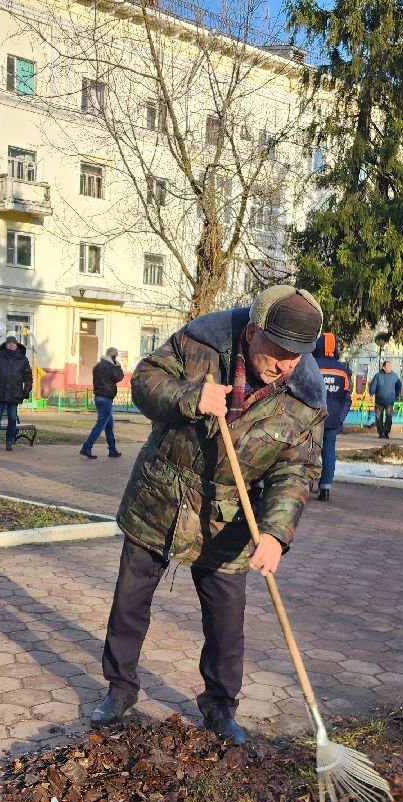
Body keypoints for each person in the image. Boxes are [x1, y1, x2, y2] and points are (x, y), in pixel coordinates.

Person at [90, 284, 325, 746]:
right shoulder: (201, 342)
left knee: (225, 620)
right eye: (277, 352)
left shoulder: (305, 399)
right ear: (254, 332)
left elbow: (296, 469)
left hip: (230, 517)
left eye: (296, 357)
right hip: (161, 498)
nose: (285, 365)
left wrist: (276, 533)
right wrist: (190, 396)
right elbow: (144, 380)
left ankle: (220, 708)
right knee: (129, 604)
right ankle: (119, 689)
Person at [313, 333, 352, 501]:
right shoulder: (342, 371)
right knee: (329, 452)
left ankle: (304, 485)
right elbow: (347, 398)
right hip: (333, 419)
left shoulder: (313, 366)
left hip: (312, 419)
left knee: (309, 453)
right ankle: (325, 488)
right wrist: (340, 418)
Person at [0, 335, 32, 450]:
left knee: (12, 418)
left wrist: (26, 391)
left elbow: (28, 378)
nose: (11, 344)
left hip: (14, 394)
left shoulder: (23, 359)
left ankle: (9, 442)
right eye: (9, 343)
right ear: (6, 345)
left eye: (13, 343)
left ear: (16, 345)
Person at [80, 346, 126, 459]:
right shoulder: (110, 366)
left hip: (98, 397)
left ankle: (112, 450)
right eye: (116, 356)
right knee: (100, 424)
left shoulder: (97, 366)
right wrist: (118, 367)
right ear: (112, 356)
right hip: (106, 398)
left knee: (109, 425)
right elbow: (119, 377)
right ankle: (86, 447)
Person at [369, 359, 402, 438]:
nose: (390, 368)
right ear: (384, 367)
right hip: (379, 401)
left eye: (391, 366)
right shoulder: (378, 375)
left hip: (389, 401)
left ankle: (386, 432)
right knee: (378, 417)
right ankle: (381, 433)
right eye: (388, 367)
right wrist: (371, 393)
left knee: (389, 417)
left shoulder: (394, 376)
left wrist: (396, 395)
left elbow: (399, 385)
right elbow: (373, 385)